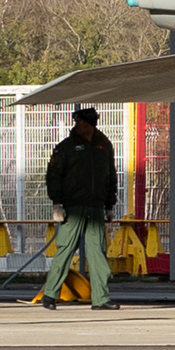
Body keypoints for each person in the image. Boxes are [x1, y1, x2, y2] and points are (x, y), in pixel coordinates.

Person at [30, 105, 116, 307]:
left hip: (95, 207)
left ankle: (101, 299)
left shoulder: (104, 145)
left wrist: (109, 205)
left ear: (90, 124)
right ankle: (50, 295)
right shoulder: (66, 146)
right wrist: (57, 203)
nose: (77, 125)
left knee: (98, 254)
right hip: (73, 207)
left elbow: (110, 176)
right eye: (77, 122)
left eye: (80, 122)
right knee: (65, 250)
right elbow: (53, 176)